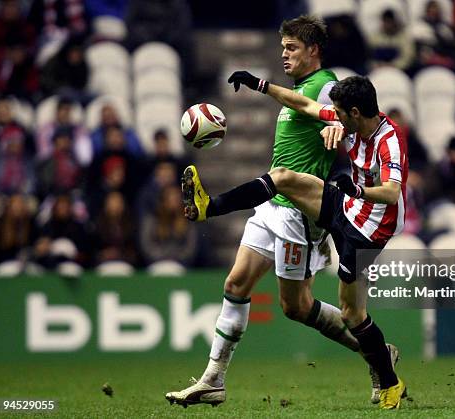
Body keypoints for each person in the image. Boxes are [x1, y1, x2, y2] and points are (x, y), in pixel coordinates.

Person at [166, 15, 390, 408]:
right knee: (236, 285)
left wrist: (336, 128)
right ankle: (212, 380)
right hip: (272, 205)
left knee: (296, 307)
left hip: (298, 214)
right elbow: (301, 103)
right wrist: (261, 85)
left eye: (292, 48)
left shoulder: (326, 85)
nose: (283, 54)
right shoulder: (302, 88)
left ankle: (377, 355)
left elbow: (346, 118)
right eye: (282, 47)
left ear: (313, 51)